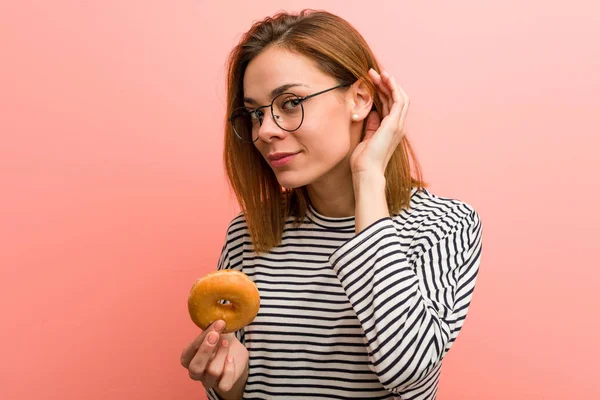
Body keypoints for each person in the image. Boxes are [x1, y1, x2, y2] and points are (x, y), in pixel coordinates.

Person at [180, 9, 483, 400]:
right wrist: (230, 383)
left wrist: (369, 177)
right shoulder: (249, 232)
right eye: (255, 113)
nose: (265, 131)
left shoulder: (445, 224)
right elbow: (239, 387)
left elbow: (406, 369)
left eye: (289, 102)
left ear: (358, 99)